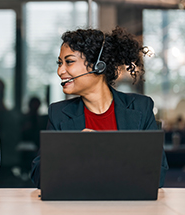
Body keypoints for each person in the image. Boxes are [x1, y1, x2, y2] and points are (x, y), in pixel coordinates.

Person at [30, 26, 168, 188]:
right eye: (60, 63)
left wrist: (106, 150)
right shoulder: (59, 113)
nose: (60, 71)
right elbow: (39, 177)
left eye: (69, 62)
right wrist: (71, 149)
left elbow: (158, 174)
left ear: (98, 66)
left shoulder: (140, 107)